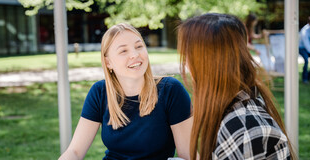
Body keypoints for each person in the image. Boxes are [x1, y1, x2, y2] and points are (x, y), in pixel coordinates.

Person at [59, 23, 192, 160]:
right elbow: (74, 151)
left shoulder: (170, 90)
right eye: (123, 51)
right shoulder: (99, 92)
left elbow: (188, 155)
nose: (135, 55)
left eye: (139, 46)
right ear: (108, 63)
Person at [177, 13, 295, 160]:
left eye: (188, 55)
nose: (186, 64)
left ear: (207, 63)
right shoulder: (238, 109)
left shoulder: (242, 130)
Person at [299, 16, 310, 84]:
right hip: (302, 48)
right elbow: (306, 43)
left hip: (308, 48)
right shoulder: (304, 31)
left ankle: (308, 76)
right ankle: (304, 79)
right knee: (306, 60)